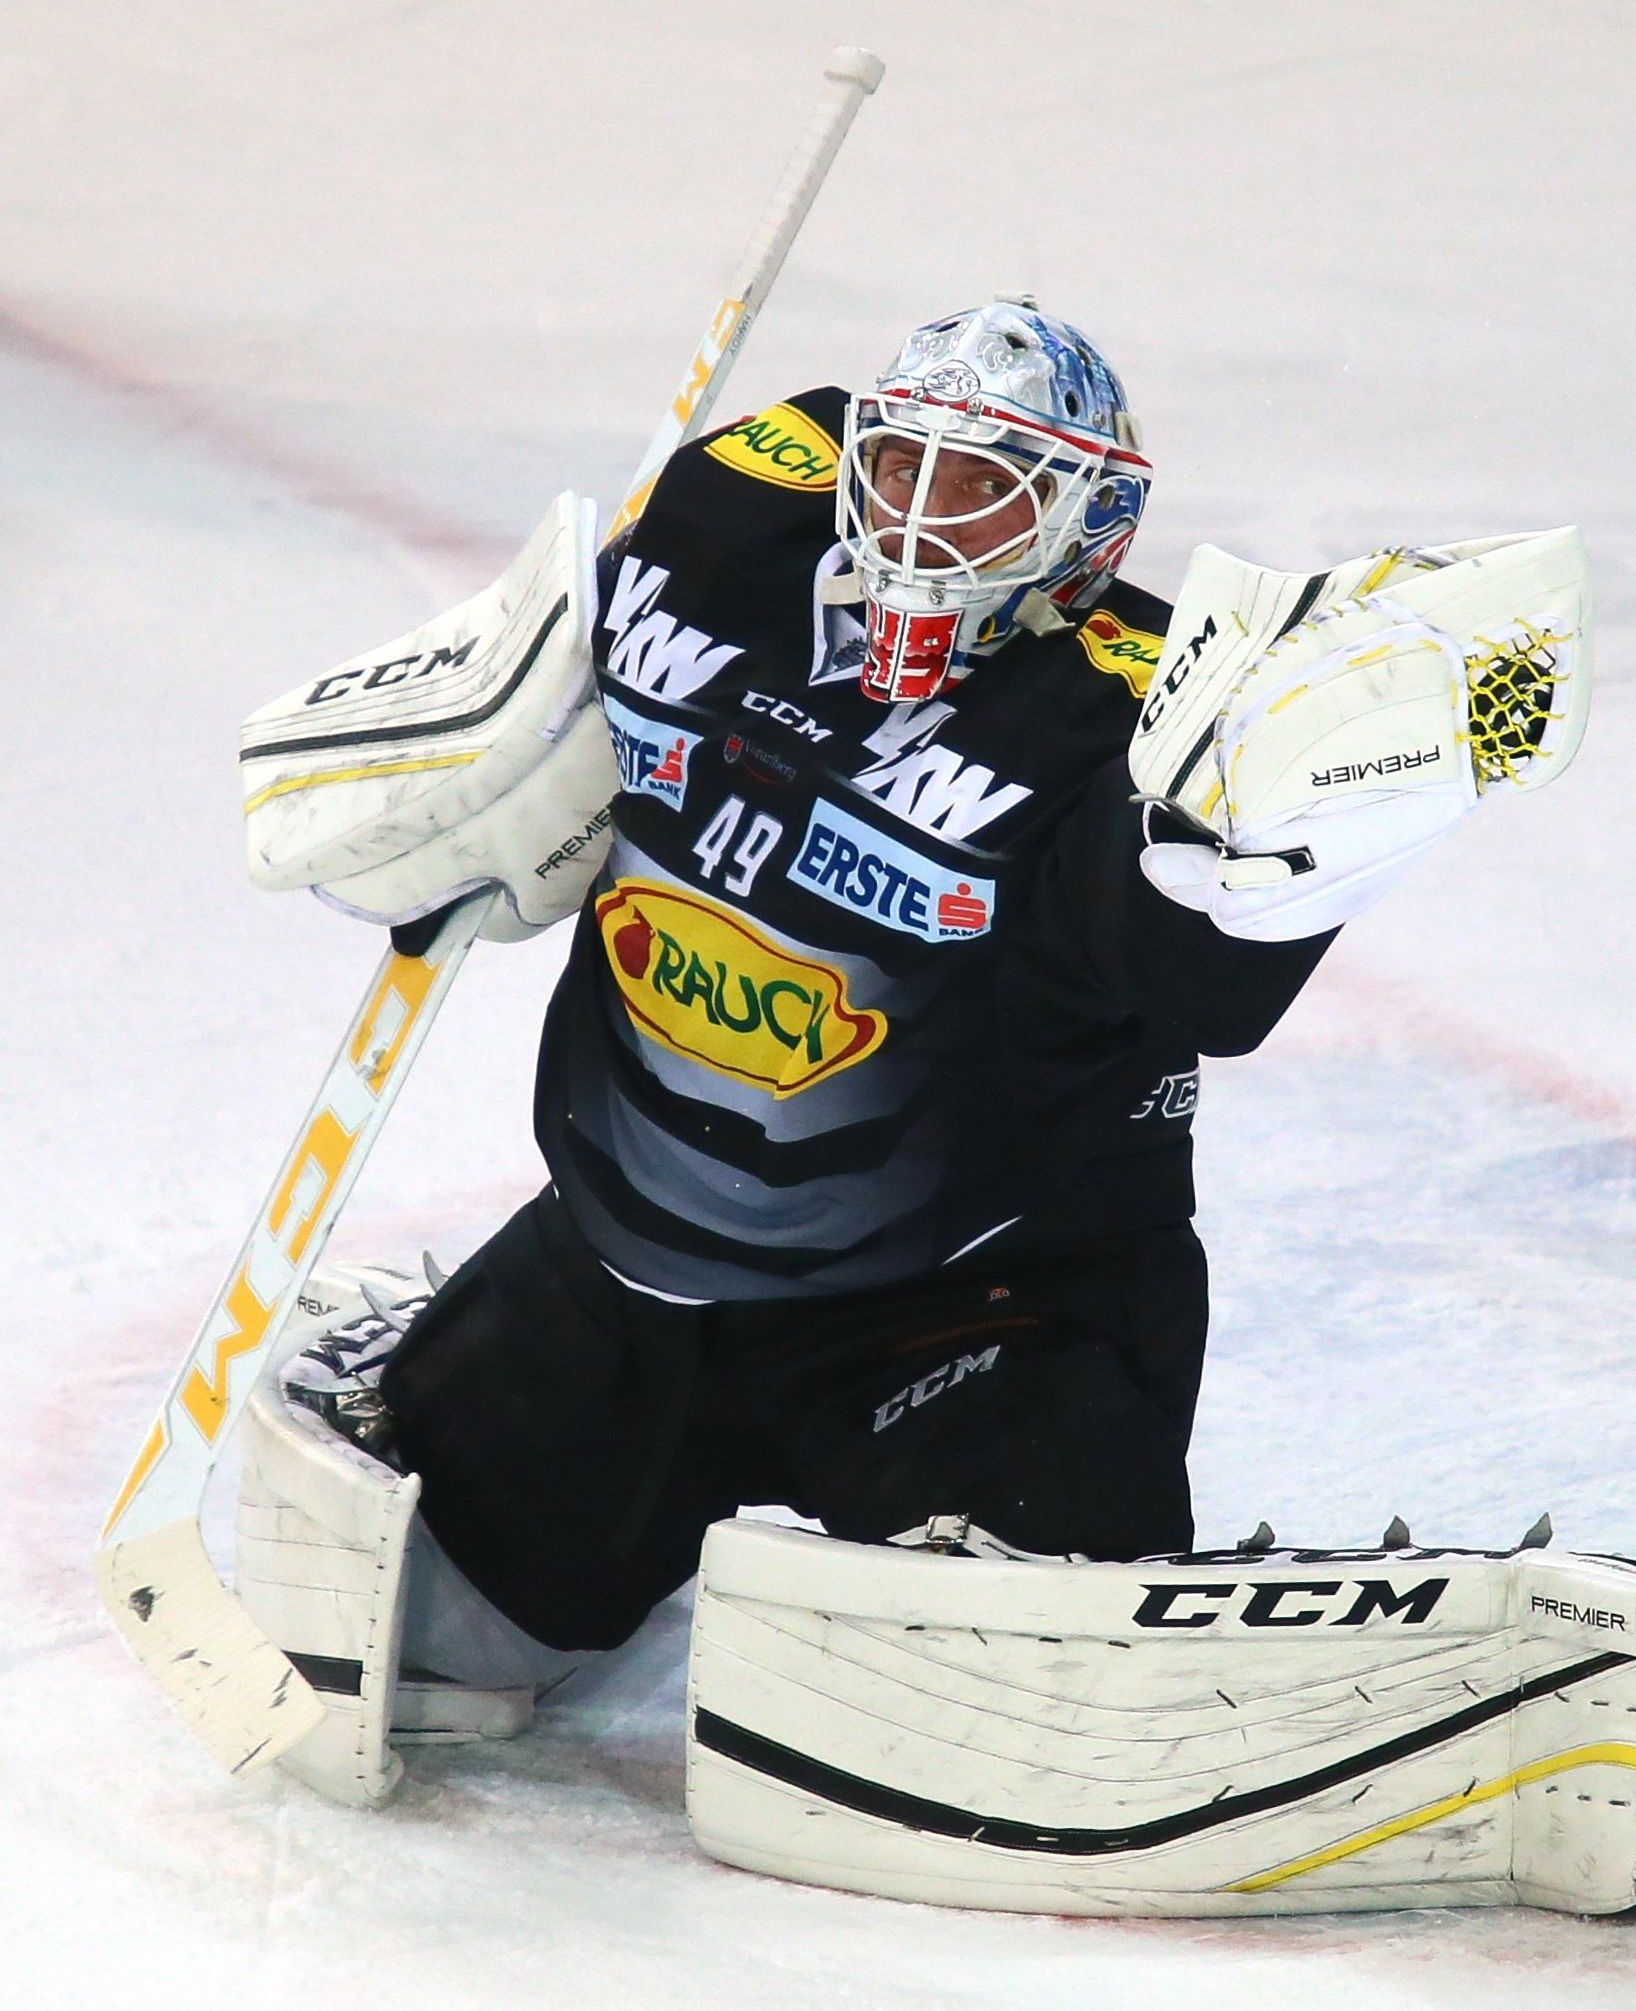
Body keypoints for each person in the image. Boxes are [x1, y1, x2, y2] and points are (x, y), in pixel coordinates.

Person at [287, 299, 1349, 1680]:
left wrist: (1297, 827)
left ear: (1083, 520)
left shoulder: (1134, 720)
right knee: (425, 1635)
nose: (922, 516)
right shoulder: (721, 543)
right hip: (626, 1268)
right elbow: (549, 689)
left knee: (1023, 1693)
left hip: (974, 1308)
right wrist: (466, 782)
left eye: (982, 485)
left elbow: (1212, 985)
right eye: (901, 464)